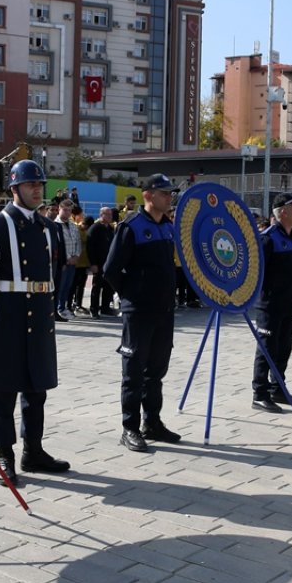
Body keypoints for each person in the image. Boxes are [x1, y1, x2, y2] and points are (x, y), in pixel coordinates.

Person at [0, 160, 70, 486]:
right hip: (10, 316)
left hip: (39, 316)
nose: (37, 190)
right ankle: (5, 455)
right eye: (30, 185)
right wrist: (4, 306)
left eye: (40, 185)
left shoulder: (48, 228)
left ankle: (33, 450)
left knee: (36, 387)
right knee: (5, 390)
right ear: (14, 189)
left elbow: (55, 272)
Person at [103, 174, 183, 452]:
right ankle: (130, 427)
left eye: (170, 193)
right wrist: (131, 295)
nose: (169, 197)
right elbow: (111, 269)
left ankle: (153, 422)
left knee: (156, 371)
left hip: (164, 311)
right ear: (148, 195)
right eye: (164, 193)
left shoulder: (169, 227)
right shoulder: (132, 227)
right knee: (133, 371)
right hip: (138, 312)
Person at [251, 194, 292, 413]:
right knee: (266, 349)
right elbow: (256, 272)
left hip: (289, 303)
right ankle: (260, 394)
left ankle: (278, 388)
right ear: (282, 211)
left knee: (284, 348)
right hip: (270, 304)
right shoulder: (268, 239)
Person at [53, 199, 81, 321]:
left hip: (72, 262)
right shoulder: (54, 225)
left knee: (67, 286)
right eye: (65, 209)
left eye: (69, 210)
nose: (67, 212)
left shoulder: (74, 226)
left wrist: (76, 256)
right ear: (59, 209)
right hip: (61, 264)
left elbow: (78, 243)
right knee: (59, 286)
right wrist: (64, 260)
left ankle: (63, 307)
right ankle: (56, 309)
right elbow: (55, 246)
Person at [86, 207, 117, 318]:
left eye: (110, 215)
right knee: (96, 287)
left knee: (108, 286)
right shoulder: (95, 228)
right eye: (107, 214)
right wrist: (93, 263)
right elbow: (90, 247)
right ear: (101, 215)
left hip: (108, 263)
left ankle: (105, 308)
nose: (110, 217)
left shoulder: (110, 228)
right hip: (98, 263)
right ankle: (94, 309)